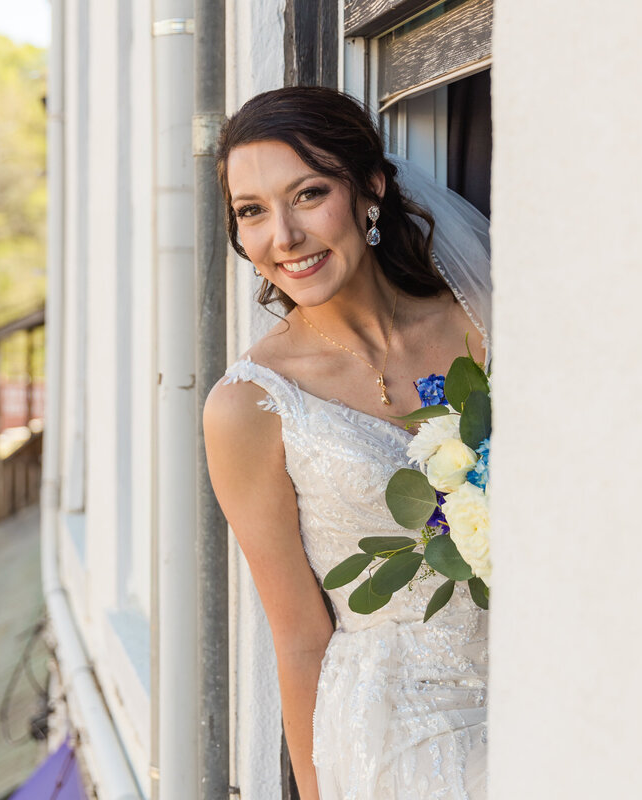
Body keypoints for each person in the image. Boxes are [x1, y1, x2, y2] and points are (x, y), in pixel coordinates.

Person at [204, 87, 490, 800]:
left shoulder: (486, 326)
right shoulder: (250, 405)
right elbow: (299, 638)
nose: (284, 237)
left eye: (307, 194)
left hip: (549, 687)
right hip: (393, 739)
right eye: (252, 212)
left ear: (370, 189)